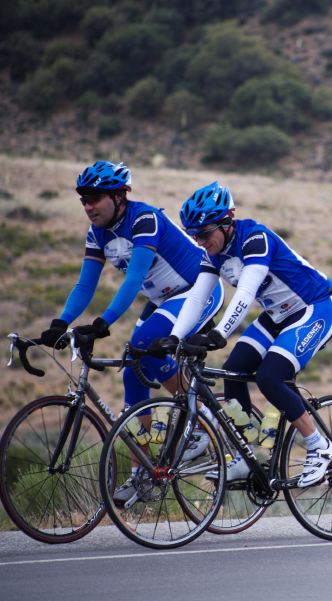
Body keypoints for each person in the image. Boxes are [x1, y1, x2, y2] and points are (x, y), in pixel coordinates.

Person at [38, 160, 225, 503]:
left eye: (94, 198)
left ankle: (202, 422)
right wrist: (60, 322)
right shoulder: (97, 234)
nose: (88, 206)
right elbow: (84, 285)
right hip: (164, 299)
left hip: (199, 290)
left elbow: (134, 278)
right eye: (83, 200)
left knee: (144, 344)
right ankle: (144, 469)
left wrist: (103, 323)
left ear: (119, 196)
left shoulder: (144, 219)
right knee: (131, 367)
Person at [150, 181, 332, 486]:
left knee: (269, 377)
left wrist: (220, 333)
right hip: (277, 315)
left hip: (313, 308)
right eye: (194, 235)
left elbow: (246, 293)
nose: (199, 241)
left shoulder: (255, 239)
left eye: (205, 234)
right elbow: (198, 297)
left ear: (227, 222)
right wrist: (175, 337)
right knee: (232, 372)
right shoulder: (213, 252)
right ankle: (248, 453)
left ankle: (319, 446)